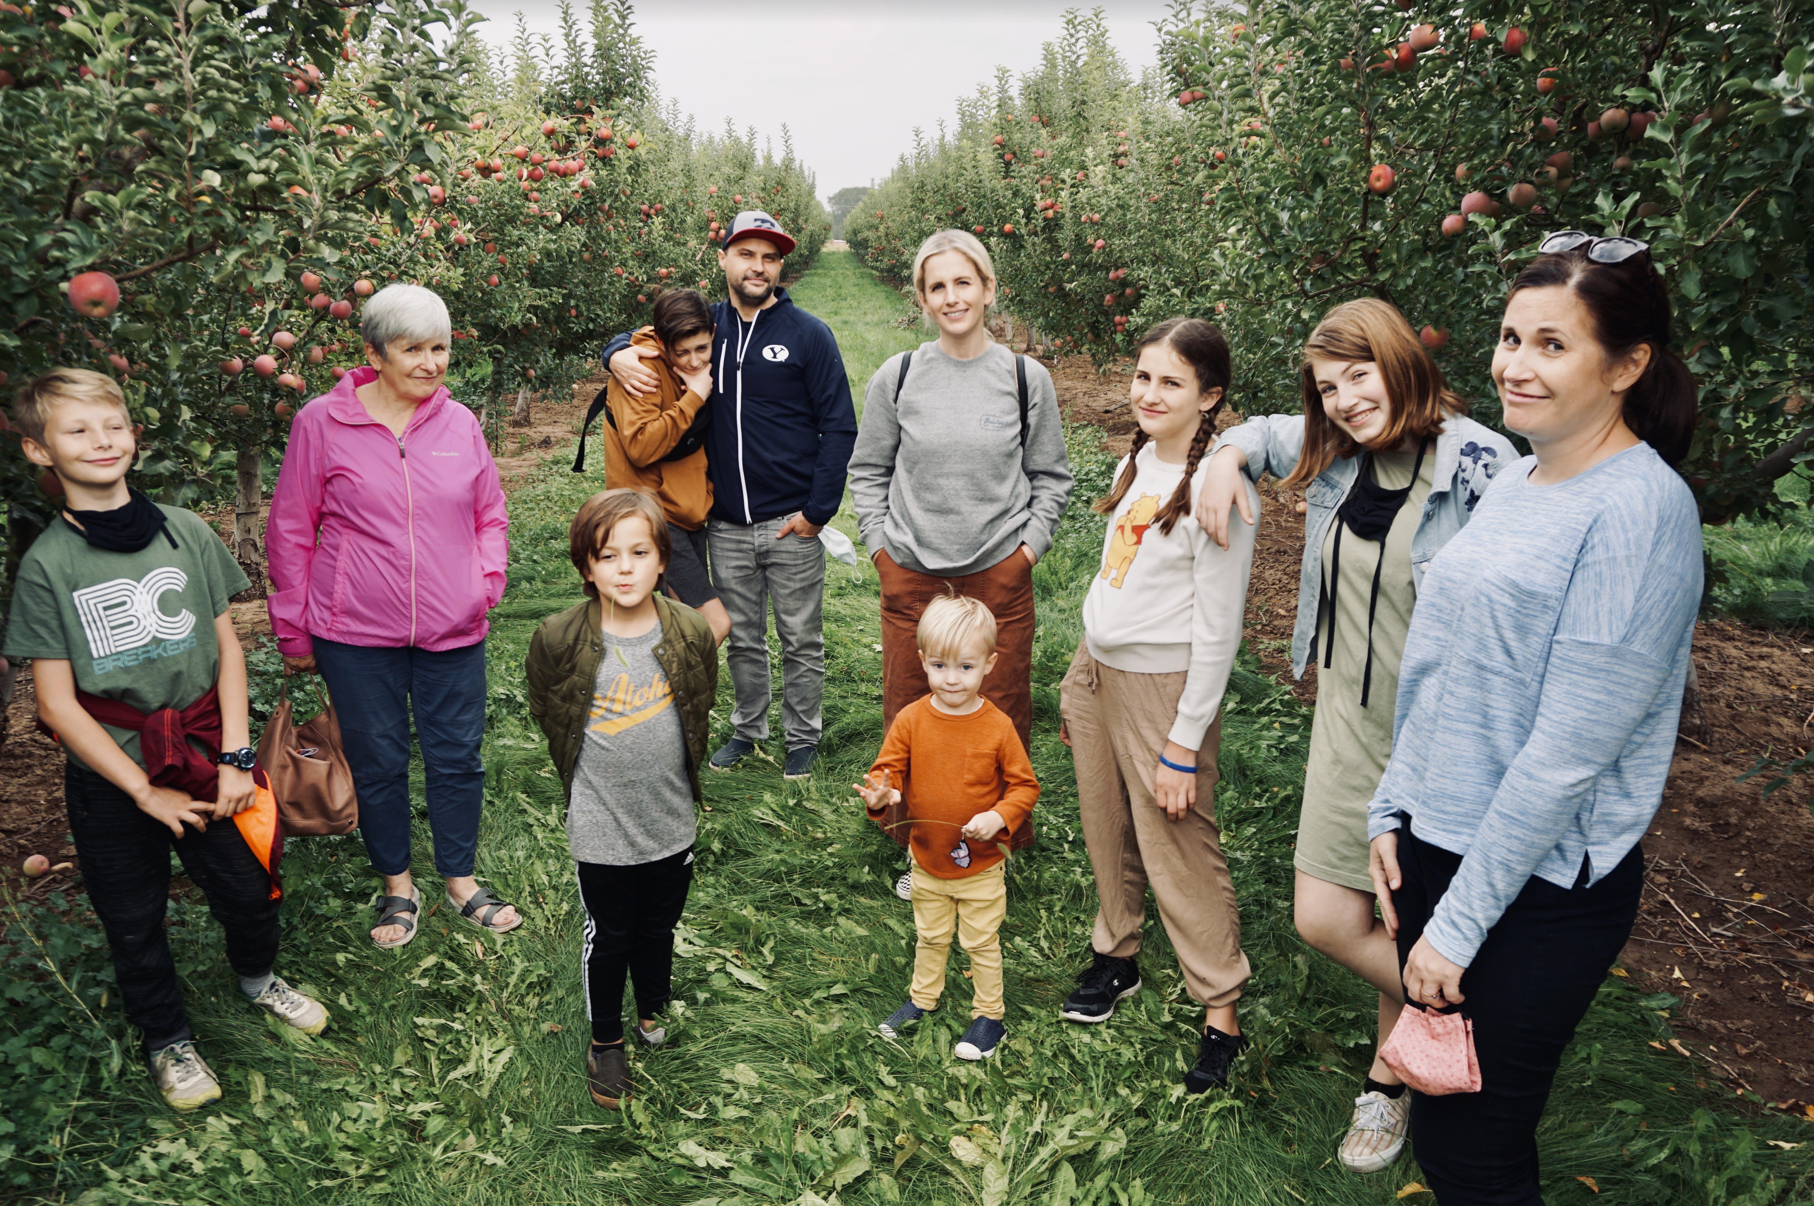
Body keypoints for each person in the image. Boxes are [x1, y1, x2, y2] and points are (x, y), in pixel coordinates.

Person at [1367, 231, 1702, 1204]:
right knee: (1446, 1128)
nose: (1514, 364)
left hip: (1534, 886)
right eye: (1511, 338)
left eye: (1552, 344)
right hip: (1441, 839)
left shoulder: (1640, 512)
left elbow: (1566, 756)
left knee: (1472, 1151)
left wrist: (1456, 928)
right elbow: (1442, 663)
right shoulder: (1517, 478)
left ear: (1626, 365)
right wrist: (1392, 804)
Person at [1193, 298, 1509, 1173]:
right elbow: (1264, 432)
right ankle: (1465, 1010)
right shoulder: (1339, 445)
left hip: (1436, 739)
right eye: (1328, 387)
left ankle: (1388, 1080)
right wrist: (1224, 456)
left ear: (1400, 362)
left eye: (1359, 376)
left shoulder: (1482, 464)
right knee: (1327, 918)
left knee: (1405, 909)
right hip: (1344, 721)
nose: (1344, 400)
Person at [4, 369, 327, 1112]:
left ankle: (257, 978)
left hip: (206, 754)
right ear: (38, 450)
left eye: (113, 425)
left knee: (248, 889)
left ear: (134, 437)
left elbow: (228, 650)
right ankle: (167, 1039)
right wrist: (141, 792)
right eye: (77, 430)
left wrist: (237, 758)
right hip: (114, 775)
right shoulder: (49, 565)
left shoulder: (185, 530)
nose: (101, 441)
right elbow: (56, 703)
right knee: (132, 916)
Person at [266, 284, 518, 948]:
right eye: (413, 350)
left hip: (454, 628)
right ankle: (397, 886)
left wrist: (483, 584)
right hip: (354, 633)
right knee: (377, 760)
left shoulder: (459, 423)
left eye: (440, 348)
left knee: (457, 757)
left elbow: (489, 514)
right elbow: (291, 529)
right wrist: (293, 628)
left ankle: (460, 879)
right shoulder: (321, 423)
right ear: (375, 353)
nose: (431, 363)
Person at [1056, 318, 1258, 1094]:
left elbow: (1220, 632)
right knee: (1106, 821)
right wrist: (1083, 670)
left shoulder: (1218, 490)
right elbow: (1120, 573)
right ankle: (1118, 955)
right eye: (1143, 376)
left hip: (1162, 688)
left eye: (1171, 382)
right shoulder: (1138, 460)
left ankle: (1221, 1011)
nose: (1149, 393)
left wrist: (1182, 742)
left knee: (1178, 842)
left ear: (1209, 396)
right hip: (1098, 669)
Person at [849, 228, 1073, 901]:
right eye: (937, 286)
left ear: (988, 289)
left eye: (963, 282)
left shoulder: (1023, 379)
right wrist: (882, 552)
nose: (952, 297)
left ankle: (991, 843)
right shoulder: (899, 377)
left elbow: (1050, 476)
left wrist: (1024, 554)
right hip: (913, 573)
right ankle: (920, 845)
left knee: (997, 713)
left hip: (996, 574)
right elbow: (868, 470)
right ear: (922, 298)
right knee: (911, 714)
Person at [603, 211, 858, 781]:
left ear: (781, 266)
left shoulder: (808, 335)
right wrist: (614, 351)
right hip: (723, 522)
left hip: (790, 519)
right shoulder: (706, 328)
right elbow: (649, 337)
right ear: (724, 260)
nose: (758, 267)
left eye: (769, 257)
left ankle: (802, 736)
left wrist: (817, 512)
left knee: (800, 637)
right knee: (741, 636)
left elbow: (839, 426)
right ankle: (748, 727)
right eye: (746, 254)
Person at [525, 489, 718, 1109]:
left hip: (670, 817)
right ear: (587, 565)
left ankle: (653, 1006)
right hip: (601, 822)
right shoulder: (559, 638)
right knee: (610, 934)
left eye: (640, 553)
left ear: (662, 559)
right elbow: (545, 704)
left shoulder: (689, 630)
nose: (626, 569)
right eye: (608, 556)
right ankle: (605, 1039)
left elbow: (700, 699)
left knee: (659, 924)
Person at [854, 593, 1038, 1062]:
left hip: (981, 866)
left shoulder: (997, 726)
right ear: (922, 661)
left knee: (980, 941)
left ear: (989, 665)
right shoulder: (912, 719)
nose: (951, 679)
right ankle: (922, 999)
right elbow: (887, 770)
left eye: (965, 667)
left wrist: (999, 817)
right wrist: (881, 794)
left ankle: (990, 1015)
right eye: (939, 666)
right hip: (926, 858)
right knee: (931, 936)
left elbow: (1024, 786)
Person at [578, 288, 731, 646]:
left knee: (681, 627)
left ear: (712, 333)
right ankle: (666, 683)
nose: (694, 362)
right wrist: (695, 397)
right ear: (662, 343)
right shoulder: (641, 370)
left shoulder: (699, 352)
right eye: (682, 352)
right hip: (653, 516)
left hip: (687, 509)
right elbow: (641, 446)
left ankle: (657, 681)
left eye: (702, 349)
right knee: (713, 624)